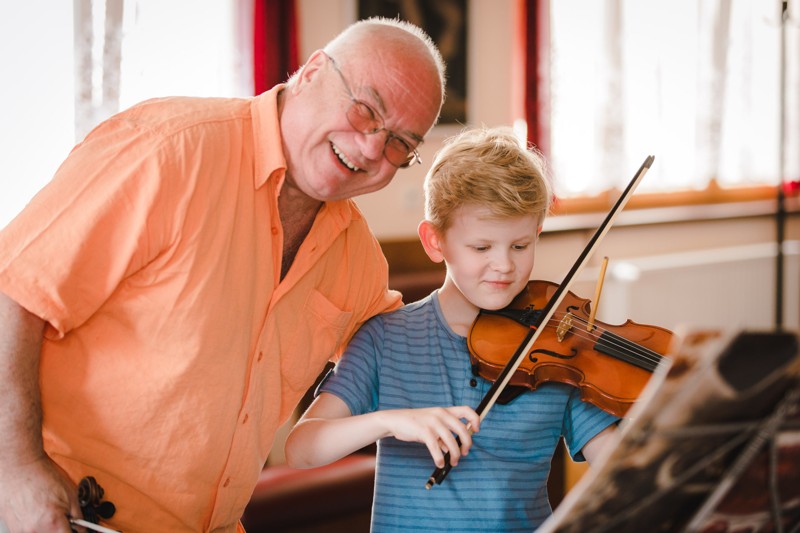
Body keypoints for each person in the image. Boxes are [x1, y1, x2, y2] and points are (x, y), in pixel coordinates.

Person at [0, 17, 445, 533]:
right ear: (311, 71)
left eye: (398, 143)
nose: (371, 149)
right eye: (366, 111)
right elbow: (14, 293)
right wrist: (14, 469)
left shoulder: (358, 259)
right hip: (57, 515)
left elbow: (404, 361)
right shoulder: (171, 151)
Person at [284, 126, 619, 531]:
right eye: (481, 247)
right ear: (435, 241)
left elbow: (621, 467)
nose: (504, 265)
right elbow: (301, 450)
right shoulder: (384, 338)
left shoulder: (555, 352)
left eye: (520, 245)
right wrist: (391, 420)